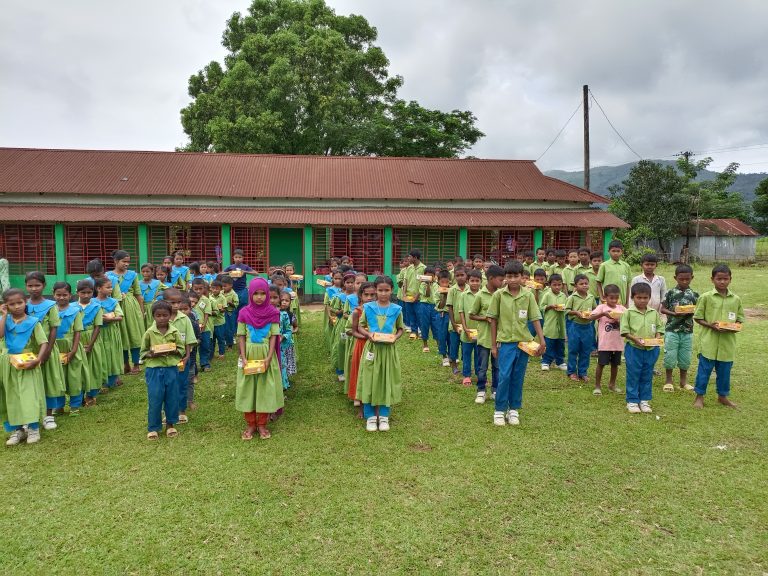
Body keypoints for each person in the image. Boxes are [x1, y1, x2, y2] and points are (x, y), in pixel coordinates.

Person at [487, 261, 545, 426]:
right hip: (505, 343)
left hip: (524, 343)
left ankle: (513, 409)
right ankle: (499, 409)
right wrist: (493, 345)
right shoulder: (498, 295)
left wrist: (542, 340)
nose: (512, 279)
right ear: (505, 277)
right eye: (509, 276)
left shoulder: (527, 295)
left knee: (518, 376)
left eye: (516, 276)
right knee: (504, 375)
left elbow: (535, 318)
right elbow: (493, 321)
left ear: (522, 278)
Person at [236, 278, 284, 440]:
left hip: (266, 355)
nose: (259, 297)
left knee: (265, 388)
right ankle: (250, 424)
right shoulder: (244, 312)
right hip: (248, 354)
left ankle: (262, 424)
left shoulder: (273, 312)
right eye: (255, 293)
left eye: (263, 293)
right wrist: (243, 357)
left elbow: (273, 338)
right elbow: (241, 336)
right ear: (250, 294)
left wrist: (270, 357)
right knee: (247, 389)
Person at [0, 288, 49, 446]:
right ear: (6, 305)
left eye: (19, 302)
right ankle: (18, 429)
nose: (16, 306)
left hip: (28, 363)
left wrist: (38, 360)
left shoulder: (33, 321)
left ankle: (33, 427)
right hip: (9, 364)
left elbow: (43, 343)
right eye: (11, 304)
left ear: (25, 301)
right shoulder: (5, 320)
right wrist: (3, 315)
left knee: (29, 396)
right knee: (11, 396)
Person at [356, 276, 404, 432]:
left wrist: (395, 337)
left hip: (388, 351)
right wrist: (369, 335)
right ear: (375, 290)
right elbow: (361, 326)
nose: (383, 294)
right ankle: (370, 416)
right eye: (380, 290)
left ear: (392, 290)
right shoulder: (368, 308)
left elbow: (400, 329)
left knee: (386, 379)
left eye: (387, 290)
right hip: (372, 349)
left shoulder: (397, 309)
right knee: (369, 379)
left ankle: (383, 415)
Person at [692, 264, 744, 409]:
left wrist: (734, 327)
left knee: (725, 372)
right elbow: (698, 317)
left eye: (725, 279)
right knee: (704, 371)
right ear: (712, 279)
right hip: (709, 342)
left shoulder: (736, 299)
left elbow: (740, 319)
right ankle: (699, 397)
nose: (722, 282)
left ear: (730, 279)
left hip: (727, 344)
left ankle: (722, 396)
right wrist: (711, 325)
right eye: (719, 279)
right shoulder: (706, 297)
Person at [25, 271, 65, 430]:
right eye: (30, 285)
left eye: (37, 285)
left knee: (49, 380)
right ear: (26, 286)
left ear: (44, 286)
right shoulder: (23, 304)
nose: (34, 289)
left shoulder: (50, 305)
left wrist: (48, 350)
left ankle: (48, 415)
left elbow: (54, 328)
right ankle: (32, 414)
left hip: (47, 348)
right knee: (31, 383)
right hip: (29, 351)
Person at [140, 301, 183, 440]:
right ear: (153, 316)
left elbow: (181, 349)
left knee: (172, 396)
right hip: (154, 369)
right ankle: (153, 427)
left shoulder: (174, 331)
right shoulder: (149, 332)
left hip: (171, 368)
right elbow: (143, 352)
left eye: (165, 315)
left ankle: (170, 424)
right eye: (158, 315)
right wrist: (151, 353)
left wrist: (174, 350)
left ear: (170, 316)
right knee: (155, 397)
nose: (162, 318)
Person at [620, 283, 663, 414]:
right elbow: (624, 331)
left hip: (651, 350)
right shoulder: (628, 313)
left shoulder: (653, 313)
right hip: (634, 349)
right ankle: (632, 401)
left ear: (649, 298)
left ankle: (644, 400)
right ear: (633, 297)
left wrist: (657, 338)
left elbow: (659, 328)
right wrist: (635, 339)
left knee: (647, 374)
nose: (642, 300)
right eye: (639, 297)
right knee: (633, 374)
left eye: (645, 298)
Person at [51, 282, 90, 416]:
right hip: (54, 347)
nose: (61, 298)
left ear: (70, 295)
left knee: (74, 377)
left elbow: (78, 331)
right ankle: (59, 406)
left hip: (72, 346)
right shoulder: (50, 310)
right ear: (53, 294)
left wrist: (73, 351)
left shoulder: (76, 311)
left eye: (65, 295)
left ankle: (75, 405)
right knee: (57, 377)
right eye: (58, 295)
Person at [469, 264, 504, 404]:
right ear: (490, 278)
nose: (502, 283)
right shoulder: (480, 295)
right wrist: (485, 318)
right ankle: (481, 390)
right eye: (500, 280)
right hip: (484, 337)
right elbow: (472, 315)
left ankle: (495, 390)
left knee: (497, 367)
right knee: (482, 367)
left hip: (499, 338)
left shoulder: (502, 295)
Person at [660, 264, 698, 392]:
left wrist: (693, 311)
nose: (684, 281)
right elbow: (663, 308)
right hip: (672, 330)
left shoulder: (694, 294)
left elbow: (699, 310)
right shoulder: (670, 292)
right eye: (681, 279)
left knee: (685, 356)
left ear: (692, 278)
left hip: (687, 331)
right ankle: (669, 380)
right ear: (675, 278)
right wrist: (673, 313)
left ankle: (683, 381)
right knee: (670, 355)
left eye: (687, 279)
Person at [107, 250, 145, 375]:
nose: (127, 264)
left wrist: (141, 310)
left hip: (131, 306)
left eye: (128, 262)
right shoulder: (107, 276)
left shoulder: (133, 275)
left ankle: (136, 363)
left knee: (134, 334)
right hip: (115, 306)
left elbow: (138, 294)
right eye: (124, 261)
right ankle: (125, 363)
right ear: (116, 261)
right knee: (121, 335)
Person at [590, 284, 626, 394]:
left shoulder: (622, 309)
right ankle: (597, 386)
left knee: (615, 365)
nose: (614, 300)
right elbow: (591, 317)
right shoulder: (602, 307)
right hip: (605, 343)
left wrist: (620, 320)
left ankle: (612, 384)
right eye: (611, 298)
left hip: (617, 343)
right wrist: (603, 314)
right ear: (605, 297)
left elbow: (628, 321)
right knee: (601, 364)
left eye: (616, 298)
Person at [346, 282, 375, 416]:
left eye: (372, 295)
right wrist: (366, 336)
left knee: (374, 374)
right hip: (362, 346)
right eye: (366, 295)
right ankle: (362, 407)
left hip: (377, 346)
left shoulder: (379, 310)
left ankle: (375, 402)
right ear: (361, 295)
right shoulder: (357, 311)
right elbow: (353, 331)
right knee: (361, 374)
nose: (370, 297)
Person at [93, 277, 124, 393]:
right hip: (98, 333)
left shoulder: (114, 302)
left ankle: (112, 380)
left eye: (111, 287)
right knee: (101, 355)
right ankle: (101, 381)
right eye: (108, 287)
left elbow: (120, 317)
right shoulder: (92, 302)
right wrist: (101, 319)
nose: (111, 289)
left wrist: (110, 318)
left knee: (112, 354)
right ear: (99, 289)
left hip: (111, 332)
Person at [76, 280, 104, 406]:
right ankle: (79, 395)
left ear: (93, 292)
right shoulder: (72, 307)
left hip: (91, 338)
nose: (86, 295)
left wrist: (91, 344)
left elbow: (98, 326)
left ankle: (91, 395)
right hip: (77, 338)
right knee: (79, 367)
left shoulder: (97, 307)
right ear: (77, 292)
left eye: (89, 292)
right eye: (83, 292)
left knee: (93, 367)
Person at [565, 274, 595, 382]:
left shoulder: (591, 297)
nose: (584, 286)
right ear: (576, 286)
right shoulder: (572, 297)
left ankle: (583, 372)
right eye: (581, 284)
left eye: (586, 283)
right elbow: (567, 310)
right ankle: (571, 372)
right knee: (573, 349)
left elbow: (595, 309)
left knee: (586, 351)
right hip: (575, 326)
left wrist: (592, 313)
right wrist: (576, 313)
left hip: (588, 327)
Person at [457, 270, 482, 387]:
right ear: (468, 281)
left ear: (481, 282)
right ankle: (466, 375)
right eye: (472, 281)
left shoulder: (483, 295)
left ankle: (479, 374)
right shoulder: (463, 295)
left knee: (479, 355)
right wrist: (465, 328)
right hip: (467, 331)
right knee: (466, 354)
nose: (474, 283)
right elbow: (461, 312)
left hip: (480, 331)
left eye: (477, 281)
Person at [538, 273, 567, 372]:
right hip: (550, 325)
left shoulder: (563, 295)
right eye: (554, 285)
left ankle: (560, 362)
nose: (557, 287)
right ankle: (546, 361)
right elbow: (541, 307)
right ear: (549, 285)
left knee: (560, 344)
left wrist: (564, 308)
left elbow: (567, 308)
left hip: (561, 325)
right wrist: (550, 306)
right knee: (549, 344)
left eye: (559, 285)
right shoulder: (547, 295)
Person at [446, 266, 468, 375]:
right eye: (457, 275)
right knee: (454, 345)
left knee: (466, 346)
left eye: (462, 275)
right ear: (454, 277)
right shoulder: (452, 290)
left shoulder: (470, 289)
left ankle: (466, 366)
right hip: (455, 325)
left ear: (466, 276)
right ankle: (454, 365)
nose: (460, 278)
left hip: (467, 325)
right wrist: (454, 323)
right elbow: (450, 307)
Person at [224, 248, 258, 316]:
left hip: (242, 290)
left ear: (243, 258)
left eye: (240, 257)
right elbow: (220, 273)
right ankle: (234, 325)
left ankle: (243, 322)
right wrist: (229, 273)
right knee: (232, 308)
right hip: (232, 291)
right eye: (236, 257)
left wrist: (245, 272)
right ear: (233, 258)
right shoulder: (230, 267)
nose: (238, 259)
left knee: (243, 307)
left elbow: (256, 273)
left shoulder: (245, 267)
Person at [597, 240, 632, 306]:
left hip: (622, 302)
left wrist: (627, 302)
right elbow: (598, 282)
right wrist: (601, 297)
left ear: (622, 252)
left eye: (618, 251)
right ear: (608, 251)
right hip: (607, 301)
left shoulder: (626, 266)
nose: (616, 253)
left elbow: (628, 285)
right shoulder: (604, 265)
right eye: (613, 251)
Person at [191, 278, 213, 372]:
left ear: (204, 288)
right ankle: (192, 365)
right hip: (191, 329)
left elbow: (207, 313)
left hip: (204, 328)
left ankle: (205, 364)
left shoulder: (206, 300)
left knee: (205, 346)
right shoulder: (189, 299)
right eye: (196, 289)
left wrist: (204, 324)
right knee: (192, 348)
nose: (198, 291)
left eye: (201, 289)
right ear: (192, 288)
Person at [402, 249, 425, 336]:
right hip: (408, 296)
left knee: (419, 314)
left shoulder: (423, 268)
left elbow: (423, 284)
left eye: (410, 257)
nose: (408, 258)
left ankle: (421, 331)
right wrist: (404, 294)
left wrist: (417, 296)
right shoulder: (409, 268)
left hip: (419, 297)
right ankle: (413, 331)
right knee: (410, 314)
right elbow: (405, 281)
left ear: (415, 257)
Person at [417, 266, 438, 353]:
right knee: (424, 325)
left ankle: (439, 344)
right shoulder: (422, 284)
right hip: (424, 305)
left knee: (436, 325)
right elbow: (427, 295)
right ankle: (425, 344)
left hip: (434, 306)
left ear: (434, 276)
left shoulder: (437, 284)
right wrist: (428, 285)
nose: (429, 278)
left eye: (431, 276)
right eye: (427, 276)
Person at [433, 271, 452, 367]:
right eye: (442, 282)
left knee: (451, 336)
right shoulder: (437, 292)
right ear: (438, 282)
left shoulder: (452, 291)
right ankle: (444, 356)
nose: (444, 284)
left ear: (450, 281)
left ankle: (451, 355)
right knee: (442, 335)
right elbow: (440, 306)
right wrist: (444, 295)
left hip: (451, 316)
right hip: (441, 315)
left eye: (446, 282)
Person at [279, 291, 297, 389]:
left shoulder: (290, 315)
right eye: (282, 300)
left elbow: (296, 327)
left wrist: (290, 333)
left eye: (287, 300)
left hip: (287, 344)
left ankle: (285, 380)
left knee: (286, 362)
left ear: (290, 302)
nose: (284, 302)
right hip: (278, 344)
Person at [139, 263, 165, 330]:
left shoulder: (157, 283)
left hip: (154, 307)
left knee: (153, 324)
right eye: (143, 271)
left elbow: (168, 290)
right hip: (141, 307)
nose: (145, 273)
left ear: (152, 272)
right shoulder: (138, 283)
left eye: (147, 271)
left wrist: (160, 294)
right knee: (142, 325)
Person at [209, 279, 227, 360]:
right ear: (210, 288)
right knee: (212, 340)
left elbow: (225, 309)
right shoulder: (209, 297)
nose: (215, 290)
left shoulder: (222, 298)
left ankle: (221, 353)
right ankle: (211, 354)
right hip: (211, 323)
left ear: (221, 289)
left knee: (220, 339)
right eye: (213, 288)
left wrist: (221, 309)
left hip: (220, 322)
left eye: (217, 288)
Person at [220, 275, 239, 349]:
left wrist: (230, 303)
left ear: (231, 285)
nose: (223, 288)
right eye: (222, 286)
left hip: (230, 313)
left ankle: (230, 344)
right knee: (222, 328)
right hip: (221, 313)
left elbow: (236, 304)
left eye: (225, 286)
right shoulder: (221, 292)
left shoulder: (234, 294)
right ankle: (223, 342)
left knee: (229, 329)